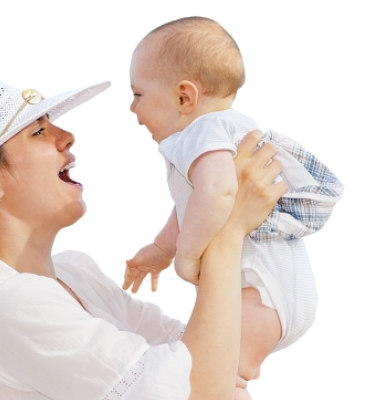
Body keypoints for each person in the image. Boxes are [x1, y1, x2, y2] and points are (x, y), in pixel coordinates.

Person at [0, 72, 286, 399]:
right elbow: (201, 389)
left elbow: (217, 359)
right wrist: (228, 225)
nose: (67, 136)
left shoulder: (76, 273)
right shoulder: (3, 305)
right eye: (39, 131)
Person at [124, 16, 344, 399]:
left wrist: (187, 255)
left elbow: (218, 191)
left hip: (258, 291)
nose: (132, 107)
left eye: (138, 94)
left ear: (184, 97)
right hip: (278, 291)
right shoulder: (231, 129)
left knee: (218, 378)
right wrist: (163, 248)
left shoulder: (202, 130)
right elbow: (194, 203)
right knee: (218, 376)